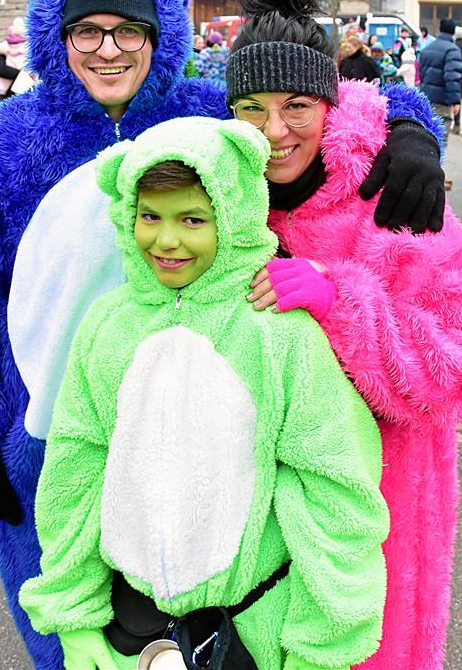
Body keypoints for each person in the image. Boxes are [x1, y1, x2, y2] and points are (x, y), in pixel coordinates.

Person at [0, 0, 445, 668]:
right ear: (56, 38)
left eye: (128, 31)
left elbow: (317, 97)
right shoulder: (8, 139)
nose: (108, 50)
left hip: (193, 418)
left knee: (184, 608)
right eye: (86, 31)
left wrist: (411, 127)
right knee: (67, 620)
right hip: (48, 423)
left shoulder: (201, 109)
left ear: (159, 36)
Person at [19, 116, 390, 669]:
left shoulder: (278, 335)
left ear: (233, 216)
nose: (166, 240)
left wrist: (321, 648)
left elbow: (334, 492)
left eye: (192, 219)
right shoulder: (105, 327)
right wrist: (73, 615)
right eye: (150, 216)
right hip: (131, 633)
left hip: (254, 632)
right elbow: (76, 470)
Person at [229, 0, 462, 670]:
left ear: (329, 103)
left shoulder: (392, 199)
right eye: (252, 108)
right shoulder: (222, 200)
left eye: (296, 106)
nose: (274, 131)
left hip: (383, 518)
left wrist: (340, 301)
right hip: (251, 525)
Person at [418, 17, 462, 145]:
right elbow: (452, 77)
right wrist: (455, 101)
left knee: (426, 137)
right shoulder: (452, 50)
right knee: (440, 140)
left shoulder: (427, 48)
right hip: (442, 100)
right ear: (453, 31)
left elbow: (421, 73)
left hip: (426, 98)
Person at [0, 16, 31, 102]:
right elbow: (0, 70)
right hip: (18, 90)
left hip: (8, 89)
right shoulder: (27, 48)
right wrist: (22, 74)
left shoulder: (4, 48)